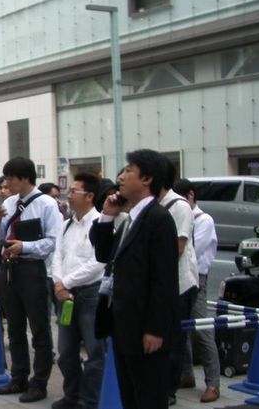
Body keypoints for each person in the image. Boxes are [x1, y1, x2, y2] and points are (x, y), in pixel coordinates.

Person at [89, 149, 179, 409]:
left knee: (149, 397)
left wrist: (155, 329)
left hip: (145, 329)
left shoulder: (158, 219)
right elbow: (104, 254)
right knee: (131, 395)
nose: (122, 176)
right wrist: (106, 215)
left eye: (129, 170)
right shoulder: (130, 218)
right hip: (123, 323)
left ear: (147, 179)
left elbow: (164, 281)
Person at [0, 157, 63, 403]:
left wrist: (25, 246)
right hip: (10, 269)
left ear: (24, 178)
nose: (6, 183)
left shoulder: (46, 204)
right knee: (15, 326)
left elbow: (54, 241)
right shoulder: (9, 203)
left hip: (34, 270)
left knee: (40, 328)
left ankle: (39, 382)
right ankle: (18, 376)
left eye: (10, 178)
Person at [51, 173, 106, 409]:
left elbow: (98, 262)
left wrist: (67, 282)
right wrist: (58, 283)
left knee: (95, 353)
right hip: (65, 296)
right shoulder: (66, 225)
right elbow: (57, 256)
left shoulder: (101, 224)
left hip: (90, 295)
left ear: (90, 196)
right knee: (65, 352)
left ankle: (88, 401)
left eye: (75, 192)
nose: (69, 195)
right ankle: (71, 395)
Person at [173, 178, 221, 403]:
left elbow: (191, 250)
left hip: (197, 280)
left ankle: (213, 383)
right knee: (180, 331)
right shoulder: (180, 216)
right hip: (179, 280)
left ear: (191, 196)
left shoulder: (204, 220)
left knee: (202, 331)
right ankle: (186, 375)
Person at [159, 159, 199, 406]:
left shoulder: (179, 206)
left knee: (174, 339)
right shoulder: (153, 204)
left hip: (179, 283)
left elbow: (179, 247)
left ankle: (169, 389)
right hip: (161, 283)